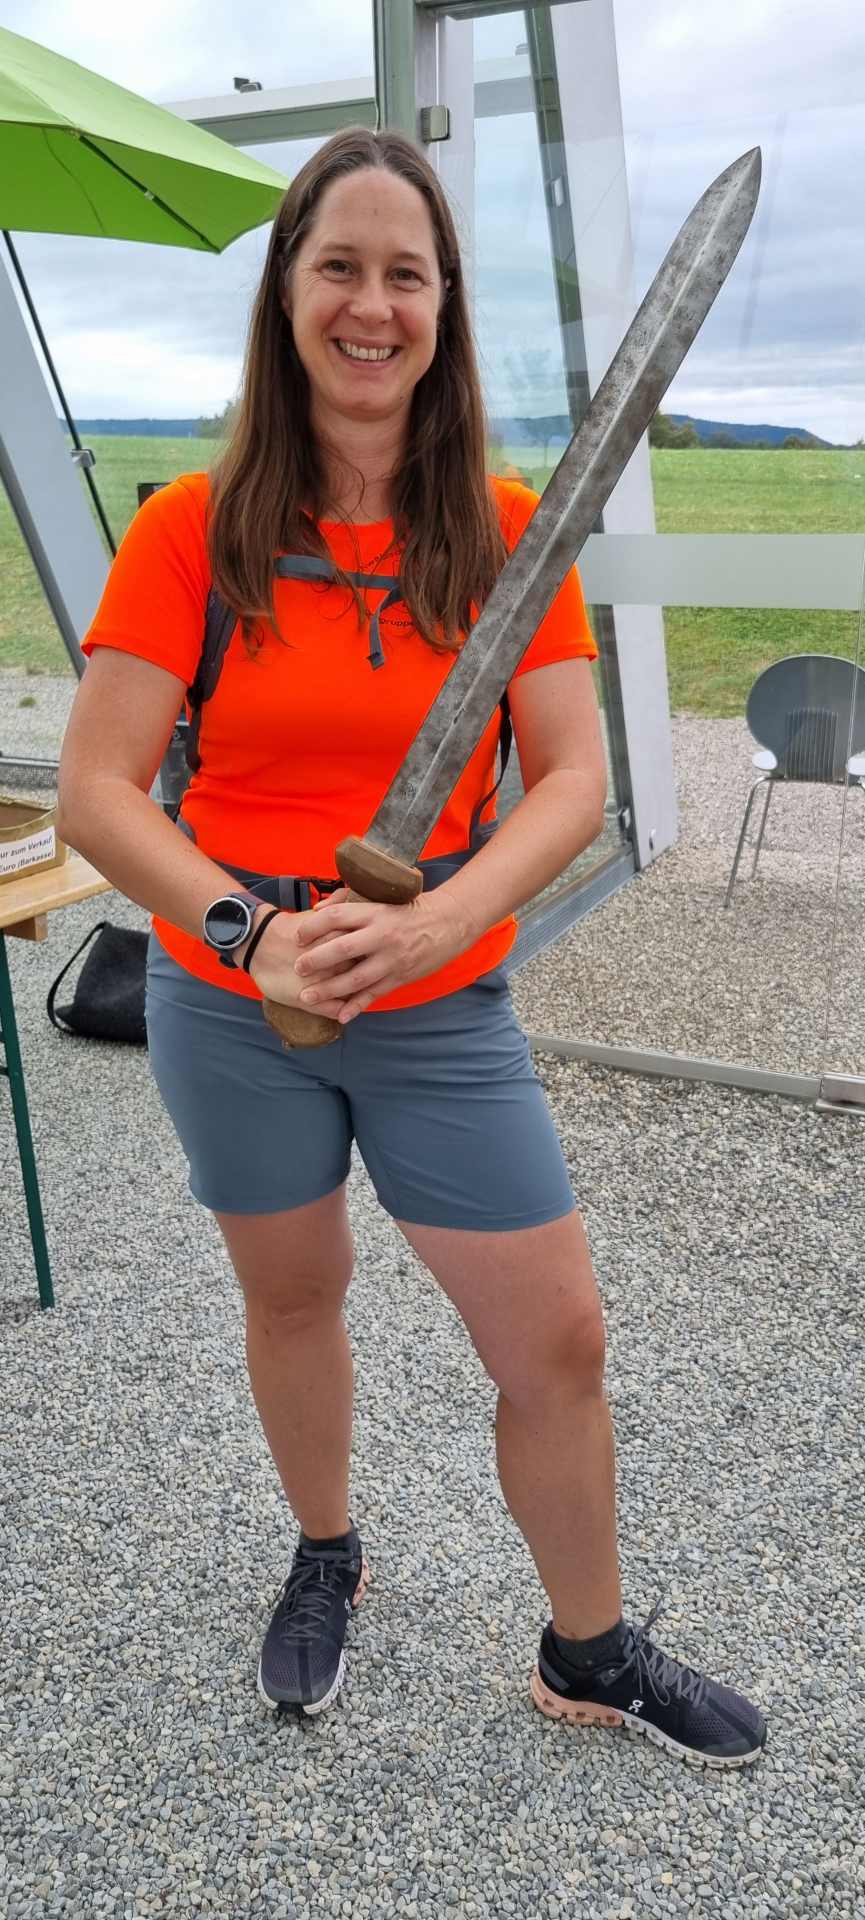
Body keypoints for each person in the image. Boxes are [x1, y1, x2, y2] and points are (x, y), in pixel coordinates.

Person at [58, 126, 767, 1768]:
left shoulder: (509, 533)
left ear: (441, 308)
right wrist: (246, 934)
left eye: (405, 275)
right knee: (294, 1291)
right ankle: (326, 1549)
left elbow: (569, 778)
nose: (370, 306)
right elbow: (99, 789)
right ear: (286, 294)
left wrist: (445, 917)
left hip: (438, 997)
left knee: (557, 1338)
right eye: (340, 268)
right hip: (232, 998)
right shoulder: (191, 531)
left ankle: (588, 1647)